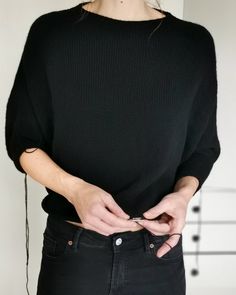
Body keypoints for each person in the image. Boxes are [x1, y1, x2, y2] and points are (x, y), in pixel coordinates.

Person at [5, 0, 221, 294]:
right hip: (75, 254)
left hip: (156, 254)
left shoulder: (194, 43)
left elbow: (202, 148)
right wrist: (75, 190)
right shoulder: (52, 33)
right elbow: (23, 141)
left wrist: (183, 196)